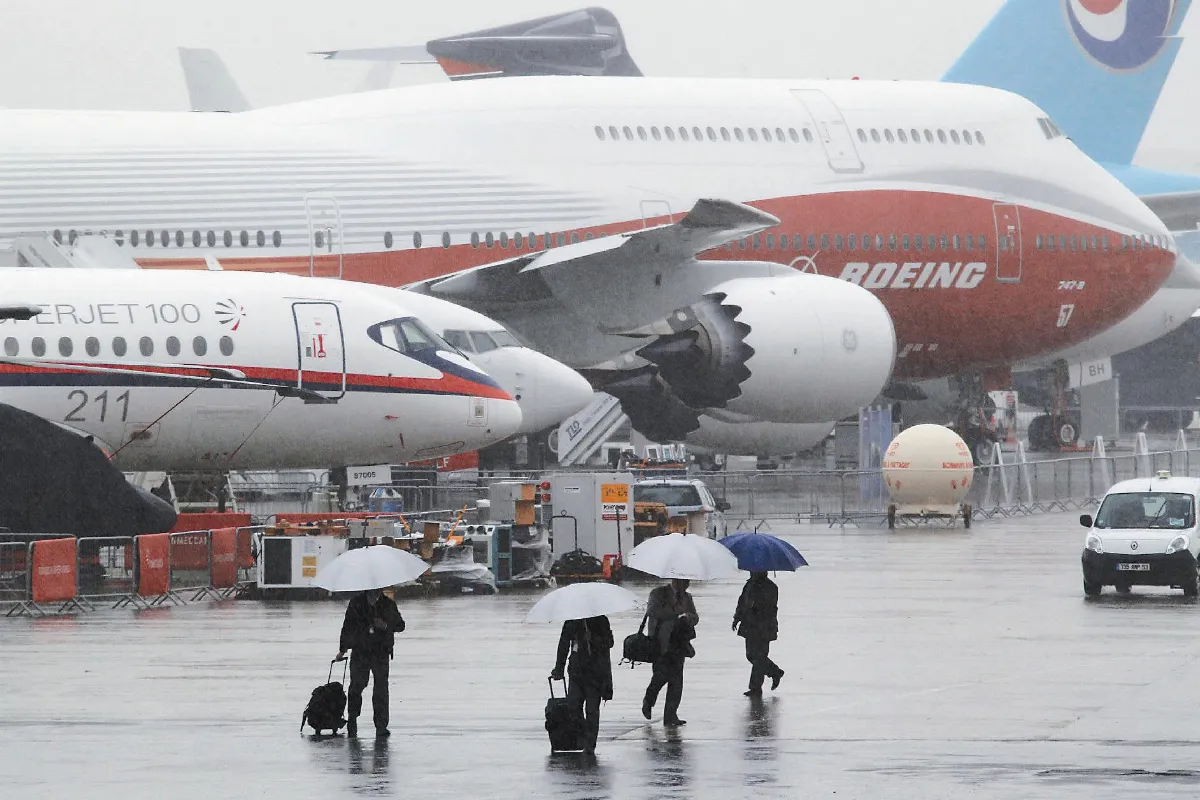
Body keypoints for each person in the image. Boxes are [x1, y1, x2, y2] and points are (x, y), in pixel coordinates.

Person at [336, 588, 405, 738]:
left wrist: (385, 625)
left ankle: (381, 725)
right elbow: (347, 626)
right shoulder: (356, 603)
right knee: (357, 685)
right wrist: (343, 649)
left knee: (381, 687)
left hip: (381, 651)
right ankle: (352, 719)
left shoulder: (387, 604)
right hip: (361, 650)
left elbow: (400, 625)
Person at [549, 615, 614, 754]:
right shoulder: (571, 622)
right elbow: (563, 645)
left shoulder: (601, 620)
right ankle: (584, 735)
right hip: (576, 671)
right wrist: (558, 668)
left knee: (592, 710)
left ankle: (590, 744)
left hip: (595, 673)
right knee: (573, 706)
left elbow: (610, 642)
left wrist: (594, 640)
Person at [642, 578, 699, 726]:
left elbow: (695, 617)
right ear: (675, 580)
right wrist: (675, 612)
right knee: (660, 676)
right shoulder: (658, 593)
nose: (686, 585)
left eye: (688, 582)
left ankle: (670, 715)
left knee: (677, 681)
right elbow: (652, 611)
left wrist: (688, 617)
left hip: (679, 642)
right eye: (683, 582)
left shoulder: (687, 597)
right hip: (661, 643)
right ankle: (649, 700)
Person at [732, 571, 784, 697]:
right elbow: (742, 602)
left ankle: (756, 687)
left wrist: (755, 605)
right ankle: (774, 672)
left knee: (759, 656)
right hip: (750, 625)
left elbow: (771, 608)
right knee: (752, 655)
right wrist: (737, 617)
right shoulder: (750, 585)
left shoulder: (770, 587)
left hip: (764, 626)